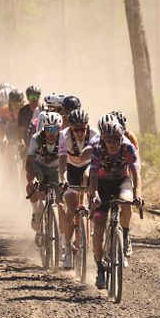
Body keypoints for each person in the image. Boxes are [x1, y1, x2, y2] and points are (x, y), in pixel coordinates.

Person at [88, 117, 142, 290]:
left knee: (126, 202)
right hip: (101, 185)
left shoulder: (128, 148)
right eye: (108, 140)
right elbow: (93, 176)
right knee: (98, 228)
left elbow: (135, 174)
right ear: (103, 139)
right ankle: (100, 269)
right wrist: (94, 194)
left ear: (121, 139)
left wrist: (138, 195)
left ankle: (124, 236)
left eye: (115, 140)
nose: (112, 144)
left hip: (121, 181)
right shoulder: (97, 149)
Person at [58, 108, 98, 271]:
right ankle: (67, 249)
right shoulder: (64, 135)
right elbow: (61, 159)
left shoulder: (95, 134)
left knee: (90, 180)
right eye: (76, 129)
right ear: (71, 128)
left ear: (87, 126)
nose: (80, 132)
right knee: (70, 206)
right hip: (70, 168)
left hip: (88, 167)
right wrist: (62, 179)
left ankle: (92, 217)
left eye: (83, 128)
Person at [24, 111, 63, 254]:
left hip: (56, 169)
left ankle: (62, 237)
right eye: (48, 129)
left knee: (61, 200)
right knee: (32, 185)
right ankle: (36, 211)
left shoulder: (64, 138)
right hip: (39, 167)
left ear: (60, 129)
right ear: (43, 129)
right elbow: (28, 162)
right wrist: (32, 178)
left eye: (55, 129)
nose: (52, 133)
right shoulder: (36, 138)